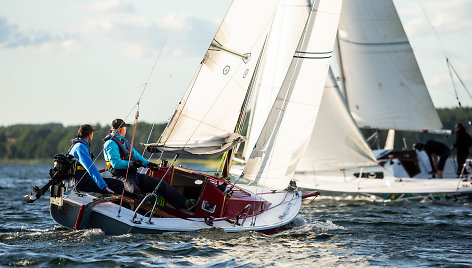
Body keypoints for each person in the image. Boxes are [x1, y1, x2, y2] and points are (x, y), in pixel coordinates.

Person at [103, 119, 195, 210]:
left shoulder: (123, 141)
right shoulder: (110, 143)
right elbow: (116, 164)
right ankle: (147, 213)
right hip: (121, 177)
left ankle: (184, 203)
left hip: (133, 175)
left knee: (160, 184)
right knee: (135, 192)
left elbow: (136, 155)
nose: (126, 130)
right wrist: (132, 164)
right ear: (121, 130)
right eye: (125, 128)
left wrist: (149, 164)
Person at [68, 124, 123, 194]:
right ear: (90, 135)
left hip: (78, 181)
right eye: (92, 134)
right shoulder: (80, 147)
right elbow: (91, 169)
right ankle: (121, 204)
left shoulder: (76, 145)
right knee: (118, 184)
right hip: (82, 183)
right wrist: (104, 187)